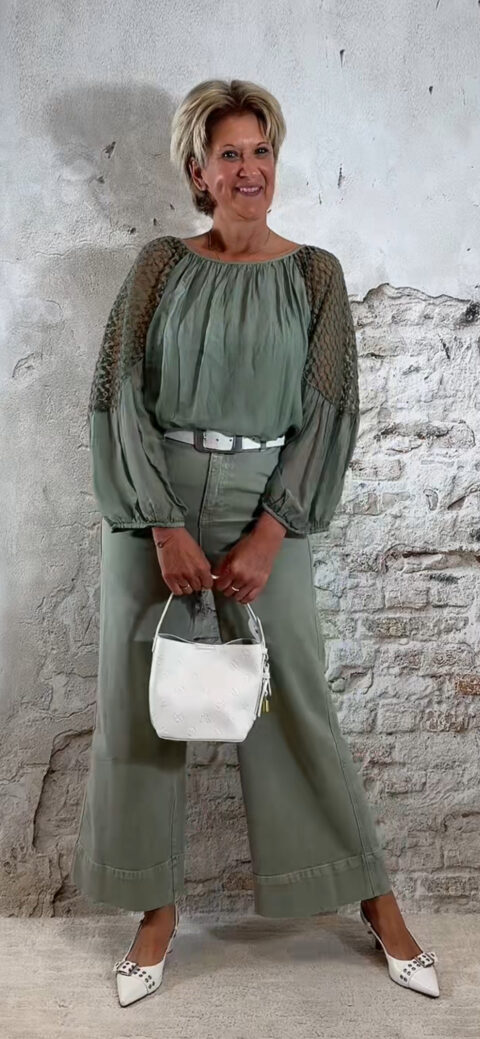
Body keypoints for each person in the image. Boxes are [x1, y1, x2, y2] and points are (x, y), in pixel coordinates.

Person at [70, 78, 439, 1006]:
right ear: (197, 171)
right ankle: (155, 912)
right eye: (228, 154)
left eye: (260, 151)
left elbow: (329, 411)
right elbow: (117, 394)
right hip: (153, 500)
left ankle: (374, 898)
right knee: (140, 704)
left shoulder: (315, 275)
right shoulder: (159, 266)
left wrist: (274, 530)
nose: (248, 170)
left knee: (295, 700)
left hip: (265, 499)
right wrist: (160, 524)